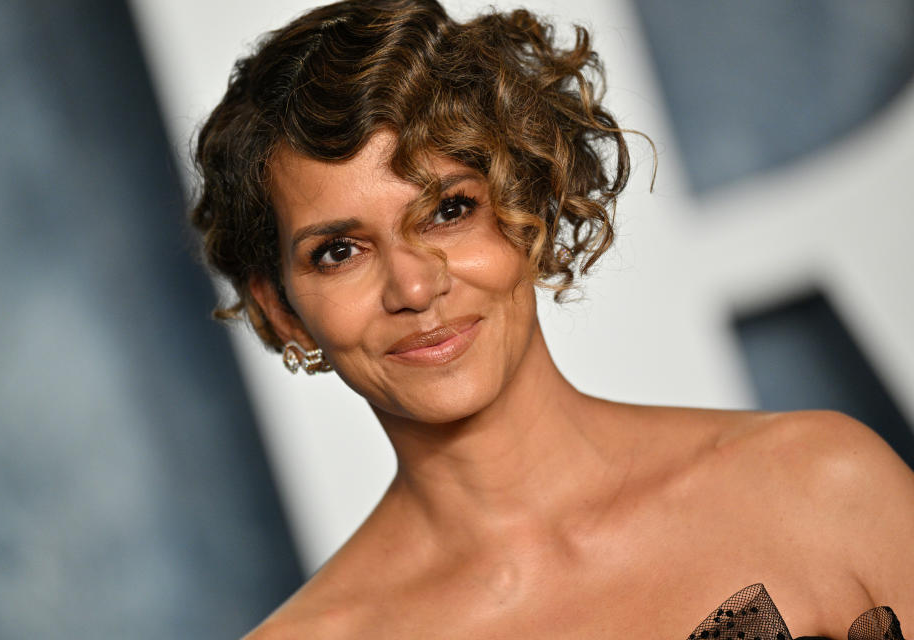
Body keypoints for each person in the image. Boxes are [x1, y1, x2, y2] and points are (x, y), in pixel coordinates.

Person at [190, 1, 914, 638]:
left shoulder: (820, 485)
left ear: (529, 206)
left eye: (449, 210)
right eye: (339, 251)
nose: (412, 285)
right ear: (279, 308)